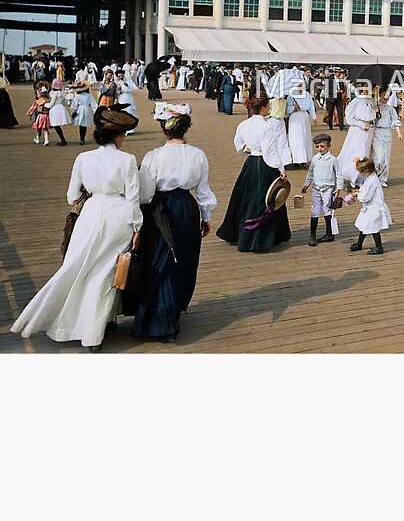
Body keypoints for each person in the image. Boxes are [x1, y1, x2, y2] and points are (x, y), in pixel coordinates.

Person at [11, 105, 142, 352]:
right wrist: (137, 227)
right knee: (106, 275)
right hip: (119, 216)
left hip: (91, 214)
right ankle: (96, 331)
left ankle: (65, 321)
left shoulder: (83, 158)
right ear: (117, 136)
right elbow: (133, 197)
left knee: (77, 267)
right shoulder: (127, 160)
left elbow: (72, 196)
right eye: (123, 134)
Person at [131, 103, 216, 343]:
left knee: (161, 261)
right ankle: (174, 309)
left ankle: (160, 322)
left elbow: (146, 194)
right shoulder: (198, 154)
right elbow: (203, 190)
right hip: (188, 209)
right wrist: (206, 217)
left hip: (162, 211)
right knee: (183, 260)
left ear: (163, 129)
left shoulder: (154, 156)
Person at [215, 92, 291, 252]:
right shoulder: (267, 126)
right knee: (267, 200)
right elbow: (270, 151)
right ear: (263, 108)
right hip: (265, 165)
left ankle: (241, 233)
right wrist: (281, 169)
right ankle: (259, 240)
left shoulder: (244, 125)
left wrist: (249, 152)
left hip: (251, 163)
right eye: (268, 106)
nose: (270, 108)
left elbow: (238, 146)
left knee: (246, 198)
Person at [301, 132, 344, 245]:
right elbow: (310, 173)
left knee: (326, 209)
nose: (319, 149)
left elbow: (339, 174)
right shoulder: (315, 159)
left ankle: (329, 233)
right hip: (316, 188)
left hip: (328, 188)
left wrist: (339, 187)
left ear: (328, 146)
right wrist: (306, 184)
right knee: (315, 210)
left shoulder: (333, 160)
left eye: (322, 146)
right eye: (317, 146)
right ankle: (312, 234)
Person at [349, 157, 391, 255]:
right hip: (369, 208)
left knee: (374, 228)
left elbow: (366, 197)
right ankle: (359, 243)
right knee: (363, 225)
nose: (360, 173)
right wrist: (359, 191)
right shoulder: (370, 178)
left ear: (367, 171)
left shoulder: (372, 181)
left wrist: (358, 194)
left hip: (374, 208)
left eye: (361, 171)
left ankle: (379, 247)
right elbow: (365, 189)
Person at [339, 89, 377, 183]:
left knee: (365, 153)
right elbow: (349, 118)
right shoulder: (356, 100)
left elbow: (372, 115)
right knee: (357, 152)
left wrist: (372, 122)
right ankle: (354, 175)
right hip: (358, 131)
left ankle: (362, 174)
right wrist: (361, 125)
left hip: (368, 131)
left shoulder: (372, 100)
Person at [371, 88, 403, 186]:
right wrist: (374, 112)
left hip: (387, 133)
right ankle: (374, 178)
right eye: (384, 94)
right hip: (377, 132)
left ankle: (383, 179)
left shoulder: (391, 109)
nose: (385, 97)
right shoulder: (375, 107)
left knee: (385, 158)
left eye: (387, 95)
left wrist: (399, 133)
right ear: (380, 95)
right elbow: (370, 120)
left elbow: (395, 121)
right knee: (377, 157)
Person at [286, 87, 316, 168]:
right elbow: (287, 109)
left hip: (304, 118)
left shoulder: (307, 95)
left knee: (305, 138)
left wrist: (314, 117)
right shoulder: (291, 96)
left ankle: (304, 159)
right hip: (295, 117)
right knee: (296, 138)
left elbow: (311, 106)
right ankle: (296, 159)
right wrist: (293, 108)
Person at [69, 79, 99, 144]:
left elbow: (74, 105)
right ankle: (83, 138)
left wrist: (73, 112)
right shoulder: (89, 95)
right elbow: (94, 104)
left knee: (81, 125)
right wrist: (96, 112)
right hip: (87, 109)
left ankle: (81, 138)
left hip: (80, 109)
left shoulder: (78, 96)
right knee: (84, 125)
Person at [47, 78, 72, 146]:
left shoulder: (53, 93)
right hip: (61, 108)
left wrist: (45, 105)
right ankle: (62, 140)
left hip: (55, 109)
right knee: (57, 125)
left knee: (56, 125)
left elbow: (51, 104)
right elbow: (65, 102)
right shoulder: (62, 93)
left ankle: (63, 140)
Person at [27, 81, 51, 146]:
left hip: (40, 116)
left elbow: (33, 108)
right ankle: (46, 140)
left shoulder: (38, 101)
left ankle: (37, 139)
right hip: (46, 116)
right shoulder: (48, 100)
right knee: (45, 129)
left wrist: (29, 113)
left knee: (38, 128)